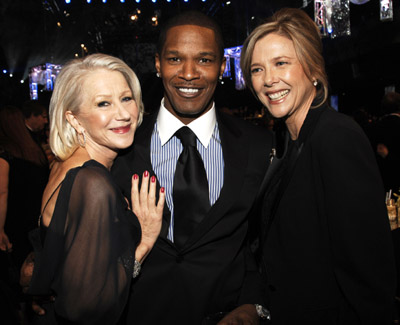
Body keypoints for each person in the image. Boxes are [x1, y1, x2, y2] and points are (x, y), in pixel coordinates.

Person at [112, 10, 273, 325]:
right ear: (157, 64)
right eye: (175, 59)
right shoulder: (120, 148)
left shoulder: (257, 145)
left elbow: (267, 242)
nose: (189, 73)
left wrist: (255, 305)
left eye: (204, 60)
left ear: (222, 67)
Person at [240, 7, 396, 324]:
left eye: (281, 63)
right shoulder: (287, 140)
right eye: (257, 69)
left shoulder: (336, 137)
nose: (269, 79)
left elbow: (368, 273)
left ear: (312, 68)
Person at [25, 53, 165, 324]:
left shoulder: (64, 164)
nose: (124, 114)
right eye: (104, 103)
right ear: (75, 119)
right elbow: (85, 308)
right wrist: (144, 243)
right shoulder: (93, 184)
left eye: (126, 98)